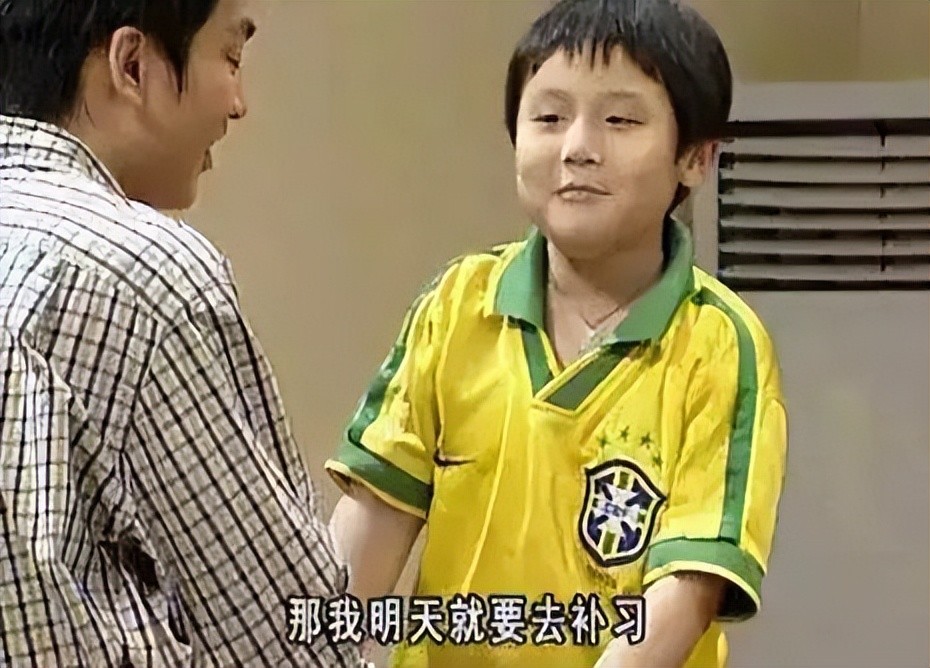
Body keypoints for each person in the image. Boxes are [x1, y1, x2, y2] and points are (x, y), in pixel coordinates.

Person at [325, 0, 788, 666]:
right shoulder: (457, 305)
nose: (577, 148)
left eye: (620, 120)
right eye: (548, 118)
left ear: (695, 157)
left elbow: (685, 593)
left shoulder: (718, 345)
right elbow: (371, 528)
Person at [0, 1, 361, 666]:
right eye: (230, 57)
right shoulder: (141, 277)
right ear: (132, 64)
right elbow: (281, 634)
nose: (238, 103)